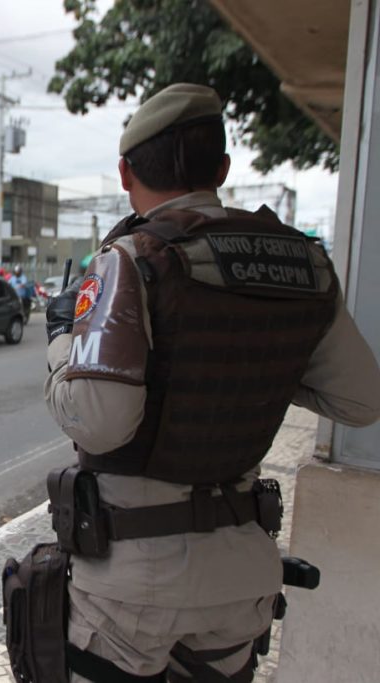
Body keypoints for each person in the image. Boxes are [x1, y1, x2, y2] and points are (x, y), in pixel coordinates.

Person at [42, 84, 380, 681]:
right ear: (222, 168)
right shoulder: (303, 263)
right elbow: (360, 400)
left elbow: (101, 420)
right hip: (239, 575)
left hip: (133, 583)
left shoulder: (132, 259)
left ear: (125, 172)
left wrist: (63, 343)